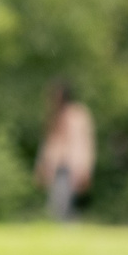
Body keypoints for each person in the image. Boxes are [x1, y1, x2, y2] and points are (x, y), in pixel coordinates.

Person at [34, 81, 96, 221]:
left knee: (63, 202)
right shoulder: (54, 117)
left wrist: (85, 167)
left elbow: (85, 142)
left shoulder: (78, 115)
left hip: (73, 165)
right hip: (56, 165)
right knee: (57, 201)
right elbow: (48, 144)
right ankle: (64, 228)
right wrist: (42, 165)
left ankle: (67, 228)